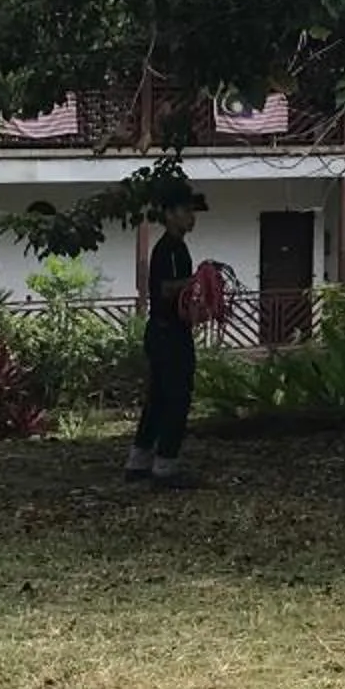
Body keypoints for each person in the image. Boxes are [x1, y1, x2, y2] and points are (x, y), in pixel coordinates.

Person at [130, 181, 206, 487]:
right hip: (169, 334)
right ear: (170, 214)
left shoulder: (176, 248)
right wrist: (197, 279)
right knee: (176, 398)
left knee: (159, 399)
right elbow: (164, 289)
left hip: (163, 332)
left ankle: (139, 462)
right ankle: (165, 467)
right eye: (187, 211)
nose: (192, 218)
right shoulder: (169, 249)